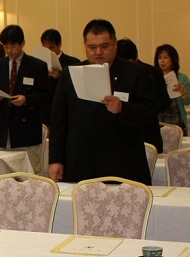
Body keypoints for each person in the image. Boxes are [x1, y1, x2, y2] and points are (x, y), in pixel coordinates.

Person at [48, 20, 162, 185]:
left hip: (123, 165)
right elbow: (59, 121)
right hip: (80, 165)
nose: (98, 52)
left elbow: (149, 113)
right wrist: (55, 160)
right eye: (92, 47)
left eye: (104, 46)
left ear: (115, 44)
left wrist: (123, 108)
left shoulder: (136, 73)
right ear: (85, 47)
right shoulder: (70, 74)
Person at [0, 25, 49, 172]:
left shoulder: (37, 66)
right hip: (2, 130)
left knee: (29, 175)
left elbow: (45, 95)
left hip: (27, 130)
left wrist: (26, 99)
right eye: (6, 47)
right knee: (3, 176)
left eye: (13, 46)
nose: (9, 51)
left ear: (22, 43)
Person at [116, 37, 165, 154]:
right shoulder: (113, 72)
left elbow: (164, 101)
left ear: (136, 57)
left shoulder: (153, 73)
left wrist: (141, 107)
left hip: (147, 132)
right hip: (121, 134)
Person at [40, 28, 81, 127]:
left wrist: (60, 76)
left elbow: (77, 88)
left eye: (51, 48)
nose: (49, 51)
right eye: (45, 48)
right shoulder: (39, 63)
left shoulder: (73, 62)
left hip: (65, 110)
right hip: (45, 110)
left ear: (60, 44)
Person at [153, 43, 190, 136]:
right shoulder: (153, 78)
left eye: (165, 57)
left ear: (173, 59)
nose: (162, 61)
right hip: (158, 121)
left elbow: (188, 101)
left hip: (177, 122)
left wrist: (183, 92)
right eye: (159, 58)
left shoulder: (182, 78)